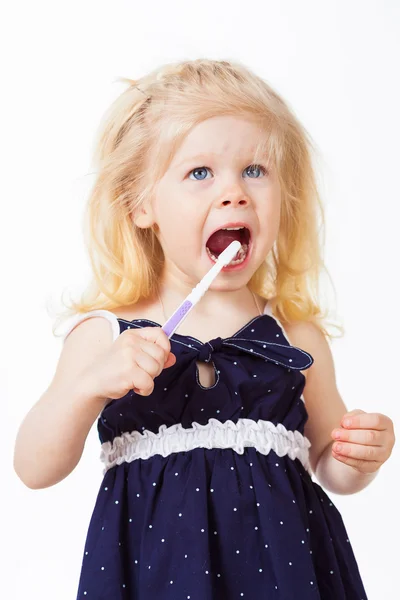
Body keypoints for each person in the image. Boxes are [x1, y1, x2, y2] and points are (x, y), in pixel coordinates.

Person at [14, 59, 395, 599]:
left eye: (255, 171)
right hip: (156, 575)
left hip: (286, 576)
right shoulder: (105, 335)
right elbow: (33, 467)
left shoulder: (295, 338)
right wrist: (88, 385)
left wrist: (358, 457)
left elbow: (330, 467)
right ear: (141, 204)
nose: (234, 193)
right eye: (200, 173)